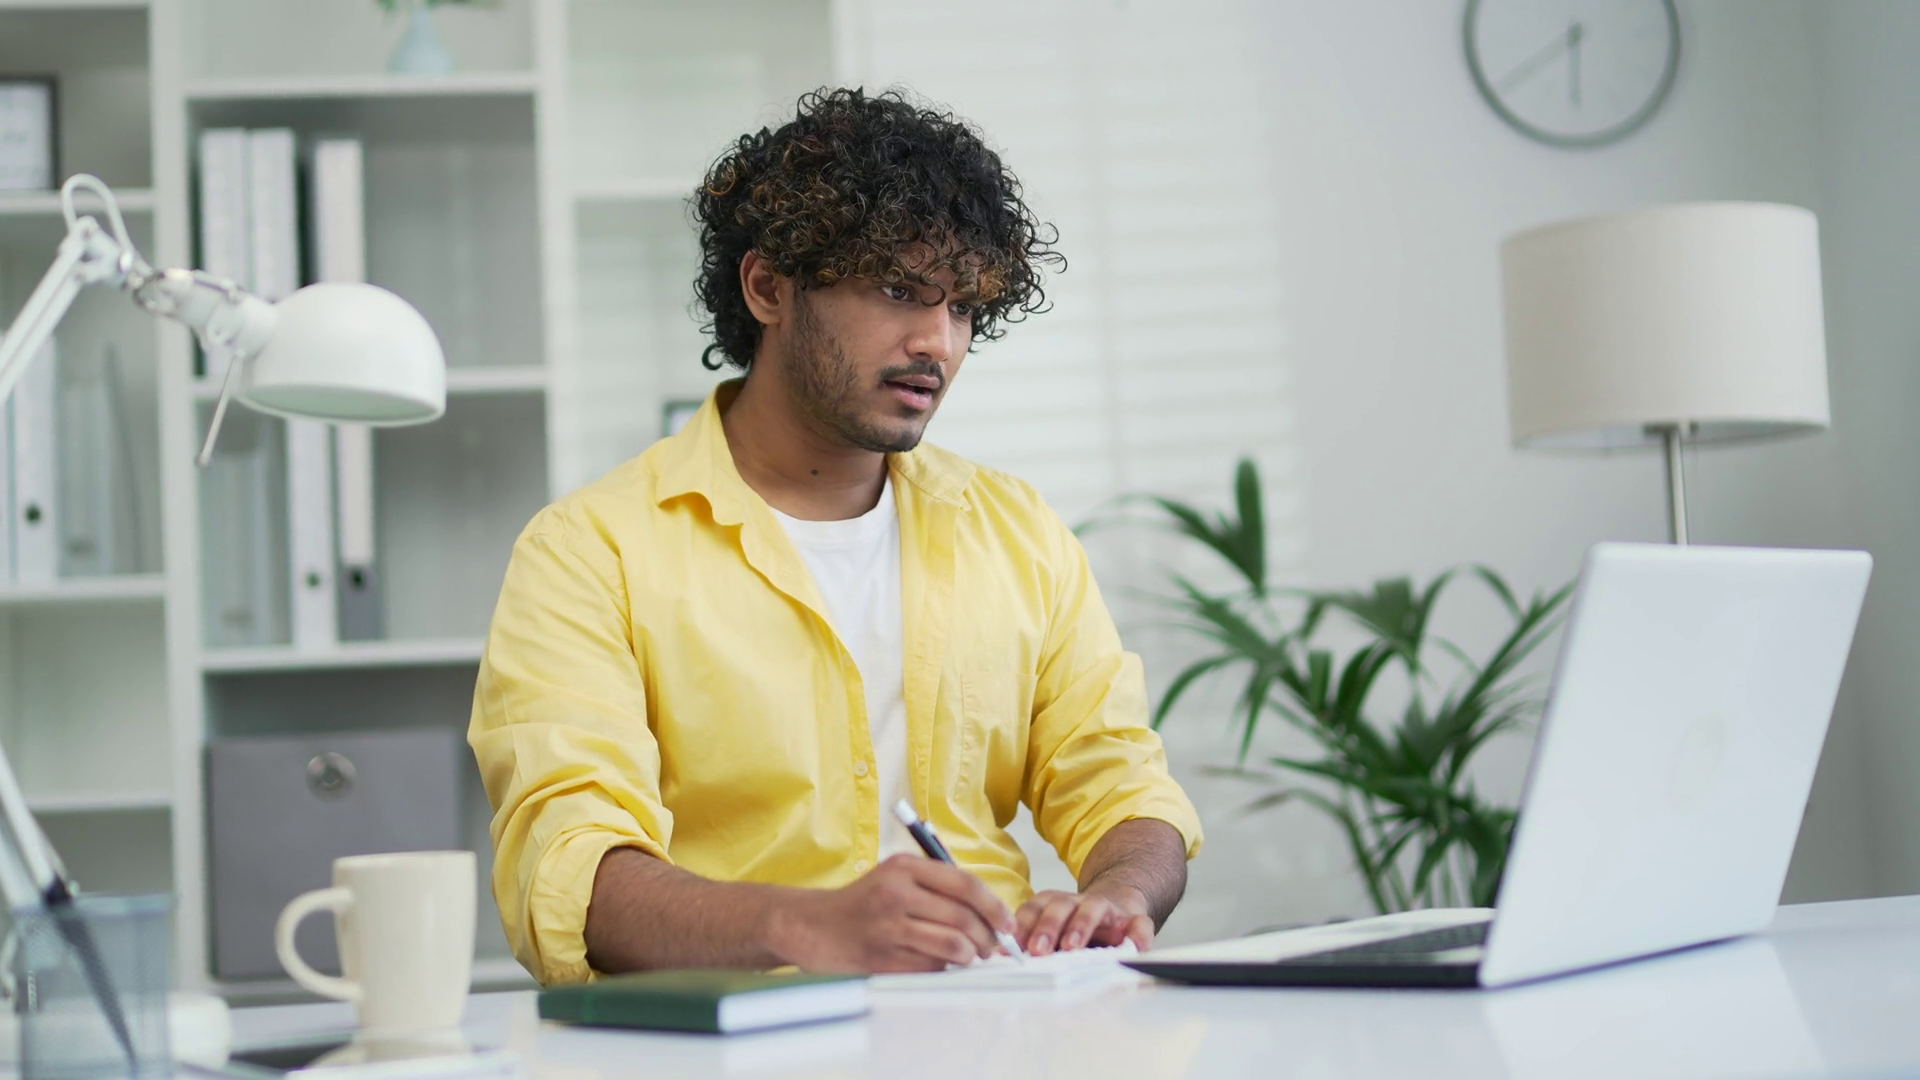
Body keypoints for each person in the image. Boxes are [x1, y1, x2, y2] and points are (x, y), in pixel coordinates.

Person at [470, 88, 1201, 985]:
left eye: (963, 307)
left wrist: (1117, 895)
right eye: (899, 290)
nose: (938, 343)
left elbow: (1124, 787)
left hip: (997, 1023)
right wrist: (811, 928)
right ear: (768, 287)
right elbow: (569, 874)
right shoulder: (589, 553)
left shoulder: (1019, 533)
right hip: (742, 1039)